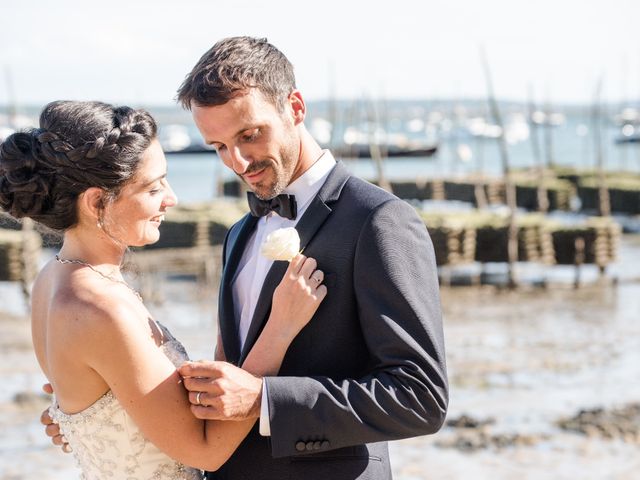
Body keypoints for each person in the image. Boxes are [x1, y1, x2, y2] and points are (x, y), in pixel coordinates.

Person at [0, 100, 327, 479]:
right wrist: (280, 327)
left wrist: (71, 421)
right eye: (154, 188)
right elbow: (204, 450)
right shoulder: (100, 308)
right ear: (95, 202)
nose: (171, 198)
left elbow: (96, 404)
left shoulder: (51, 279)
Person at [172, 36, 448, 479]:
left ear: (295, 108)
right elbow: (233, 377)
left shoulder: (379, 220)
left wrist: (265, 400)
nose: (238, 161)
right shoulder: (239, 233)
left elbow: (420, 399)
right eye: (219, 146)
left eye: (249, 135)